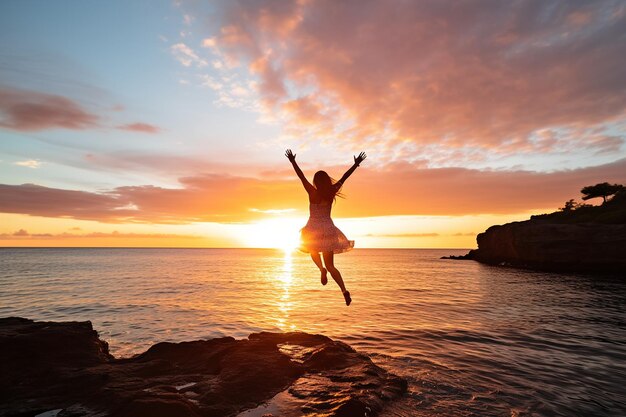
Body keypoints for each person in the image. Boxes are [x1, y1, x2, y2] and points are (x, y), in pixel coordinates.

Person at [285, 149, 367, 306]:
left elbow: (301, 176)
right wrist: (355, 164)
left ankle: (321, 269)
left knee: (312, 249)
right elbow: (345, 177)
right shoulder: (331, 192)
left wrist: (293, 161)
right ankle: (344, 290)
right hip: (328, 228)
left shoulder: (312, 192)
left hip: (313, 228)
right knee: (332, 266)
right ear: (327, 181)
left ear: (316, 181)